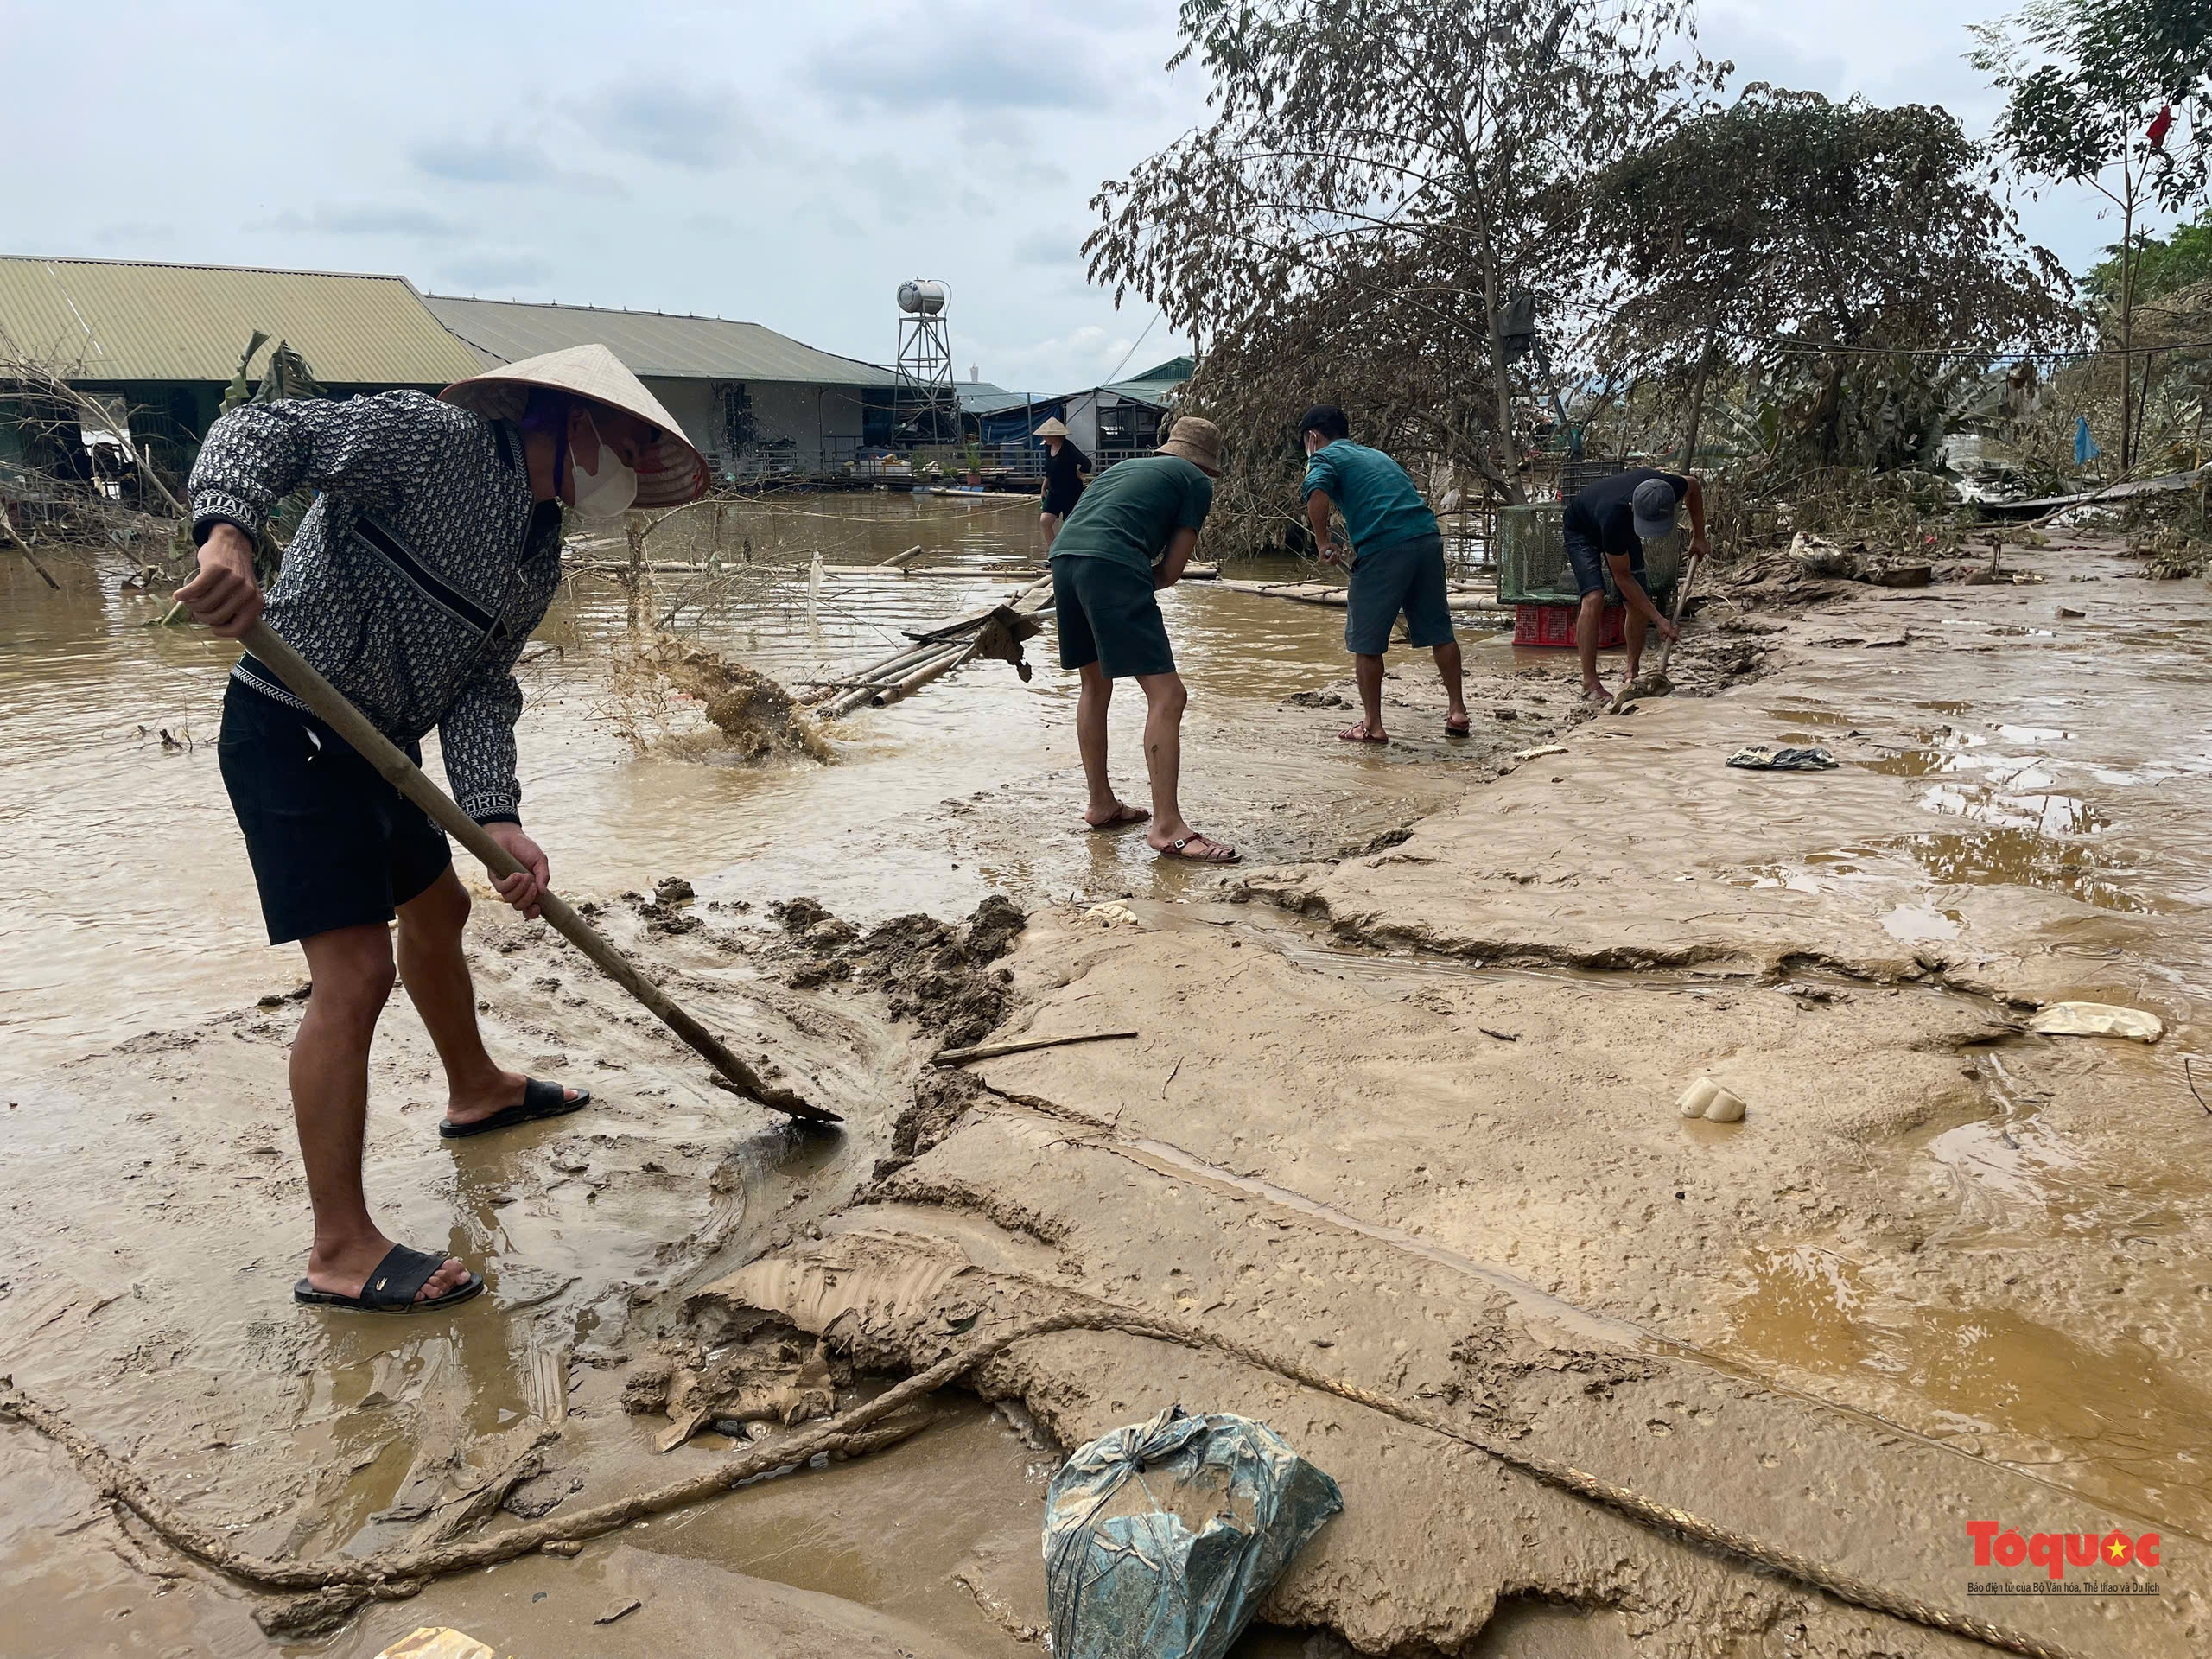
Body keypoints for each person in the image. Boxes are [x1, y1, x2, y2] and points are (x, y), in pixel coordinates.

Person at [173, 344, 709, 1314]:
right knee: (355, 974)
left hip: (381, 746)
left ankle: (477, 1090)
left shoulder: (535, 545)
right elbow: (264, 428)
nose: (624, 470)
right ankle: (339, 1247)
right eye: (623, 444)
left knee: (441, 904)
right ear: (569, 421)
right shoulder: (430, 439)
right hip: (292, 725)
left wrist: (496, 815)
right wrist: (228, 540)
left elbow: (479, 685)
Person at [1048, 415, 1237, 863]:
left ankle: (1101, 804)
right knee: (1169, 695)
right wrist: (1130, 583)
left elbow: (1083, 524)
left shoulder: (1123, 468)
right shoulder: (1195, 481)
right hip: (1111, 563)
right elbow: (1170, 571)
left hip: (1064, 559)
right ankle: (1167, 826)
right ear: (1207, 465)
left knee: (1095, 685)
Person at [1300, 405, 1469, 743]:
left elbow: (1315, 493)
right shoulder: (1377, 456)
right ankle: (1458, 711)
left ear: (1312, 437)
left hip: (1384, 546)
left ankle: (1372, 725)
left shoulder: (1322, 457)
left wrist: (1322, 541)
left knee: (1366, 640)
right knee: (1439, 629)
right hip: (1426, 537)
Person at [1560, 467, 1708, 703]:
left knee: (1637, 604)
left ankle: (1632, 669)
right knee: (1594, 597)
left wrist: (1699, 537)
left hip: (1622, 523)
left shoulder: (1669, 487)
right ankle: (1590, 683)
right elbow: (1622, 578)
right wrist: (1660, 620)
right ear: (1634, 509)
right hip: (1582, 529)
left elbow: (1694, 486)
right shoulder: (1615, 517)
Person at [1035, 416, 1089, 550]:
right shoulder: (1047, 448)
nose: (1044, 438)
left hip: (1070, 491)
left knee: (1069, 524)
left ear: (1055, 435)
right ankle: (1054, 552)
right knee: (1045, 521)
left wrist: (1079, 473)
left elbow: (1086, 463)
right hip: (1053, 491)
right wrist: (1043, 488)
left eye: (1046, 435)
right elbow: (1049, 470)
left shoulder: (1068, 448)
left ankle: (1071, 551)